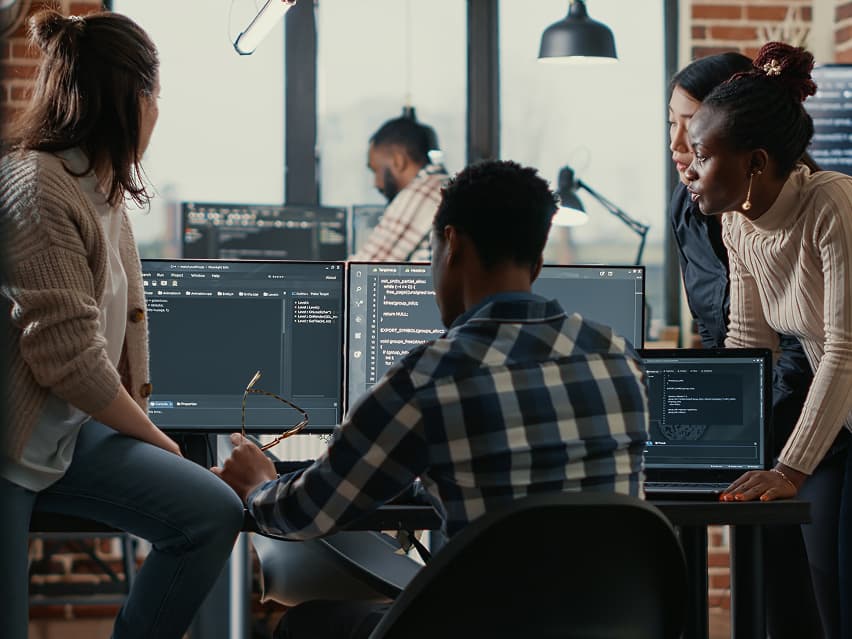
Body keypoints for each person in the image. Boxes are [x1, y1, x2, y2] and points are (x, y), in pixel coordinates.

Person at [214, 159, 650, 639]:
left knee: (306, 625)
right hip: (615, 625)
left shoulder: (428, 378)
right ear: (538, 262)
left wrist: (257, 486)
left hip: (484, 627)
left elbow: (310, 511)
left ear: (452, 244)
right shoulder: (618, 356)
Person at [0, 10, 245, 639]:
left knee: (211, 511)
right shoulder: (35, 186)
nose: (158, 114)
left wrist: (168, 453)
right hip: (11, 443)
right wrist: (164, 446)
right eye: (156, 97)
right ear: (132, 97)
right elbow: (68, 358)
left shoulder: (101, 186)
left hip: (70, 434)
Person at [684, 41, 852, 639]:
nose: (688, 167)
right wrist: (719, 445)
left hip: (845, 391)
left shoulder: (831, 203)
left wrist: (789, 466)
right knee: (819, 586)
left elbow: (843, 350)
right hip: (843, 420)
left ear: (755, 162)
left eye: (701, 155)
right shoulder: (737, 222)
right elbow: (749, 341)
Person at [350, 115, 449, 262]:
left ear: (398, 161)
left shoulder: (423, 191)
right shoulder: (442, 185)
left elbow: (365, 265)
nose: (376, 183)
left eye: (376, 171)